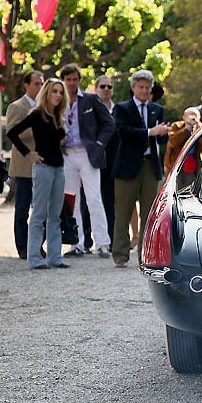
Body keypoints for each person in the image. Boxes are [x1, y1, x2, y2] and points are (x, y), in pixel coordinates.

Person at [7, 78, 71, 269]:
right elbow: (13, 132)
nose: (58, 95)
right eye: (55, 91)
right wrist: (28, 153)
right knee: (39, 213)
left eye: (61, 92)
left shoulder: (58, 116)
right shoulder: (36, 115)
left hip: (59, 167)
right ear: (47, 93)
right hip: (43, 168)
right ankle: (34, 257)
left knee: (56, 214)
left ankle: (55, 256)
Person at [111, 70, 170, 268]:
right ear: (133, 88)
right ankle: (120, 252)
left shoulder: (156, 109)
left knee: (149, 212)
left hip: (149, 165)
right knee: (123, 210)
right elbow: (122, 132)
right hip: (127, 164)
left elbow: (161, 139)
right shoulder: (122, 108)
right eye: (141, 87)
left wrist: (163, 132)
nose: (144, 91)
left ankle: (145, 254)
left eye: (147, 87)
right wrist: (149, 132)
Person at [58, 64, 115, 259]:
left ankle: (103, 243)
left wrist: (99, 144)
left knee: (94, 198)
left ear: (79, 80)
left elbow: (109, 123)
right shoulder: (58, 101)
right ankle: (78, 243)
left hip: (88, 153)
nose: (72, 83)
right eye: (68, 80)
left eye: (75, 79)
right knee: (72, 201)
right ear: (63, 81)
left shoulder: (90, 99)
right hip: (67, 154)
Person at [6, 70, 44, 260]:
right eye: (36, 84)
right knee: (22, 209)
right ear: (26, 86)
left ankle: (37, 244)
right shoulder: (17, 106)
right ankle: (22, 247)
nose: (39, 87)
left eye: (41, 83)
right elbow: (12, 132)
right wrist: (36, 126)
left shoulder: (46, 107)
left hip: (43, 164)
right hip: (23, 166)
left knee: (42, 209)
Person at [94, 74, 117, 244]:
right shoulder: (90, 108)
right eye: (103, 86)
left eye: (109, 87)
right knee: (90, 201)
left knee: (110, 201)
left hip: (113, 163)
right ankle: (87, 240)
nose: (106, 90)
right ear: (96, 89)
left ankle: (111, 239)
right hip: (93, 160)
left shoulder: (118, 110)